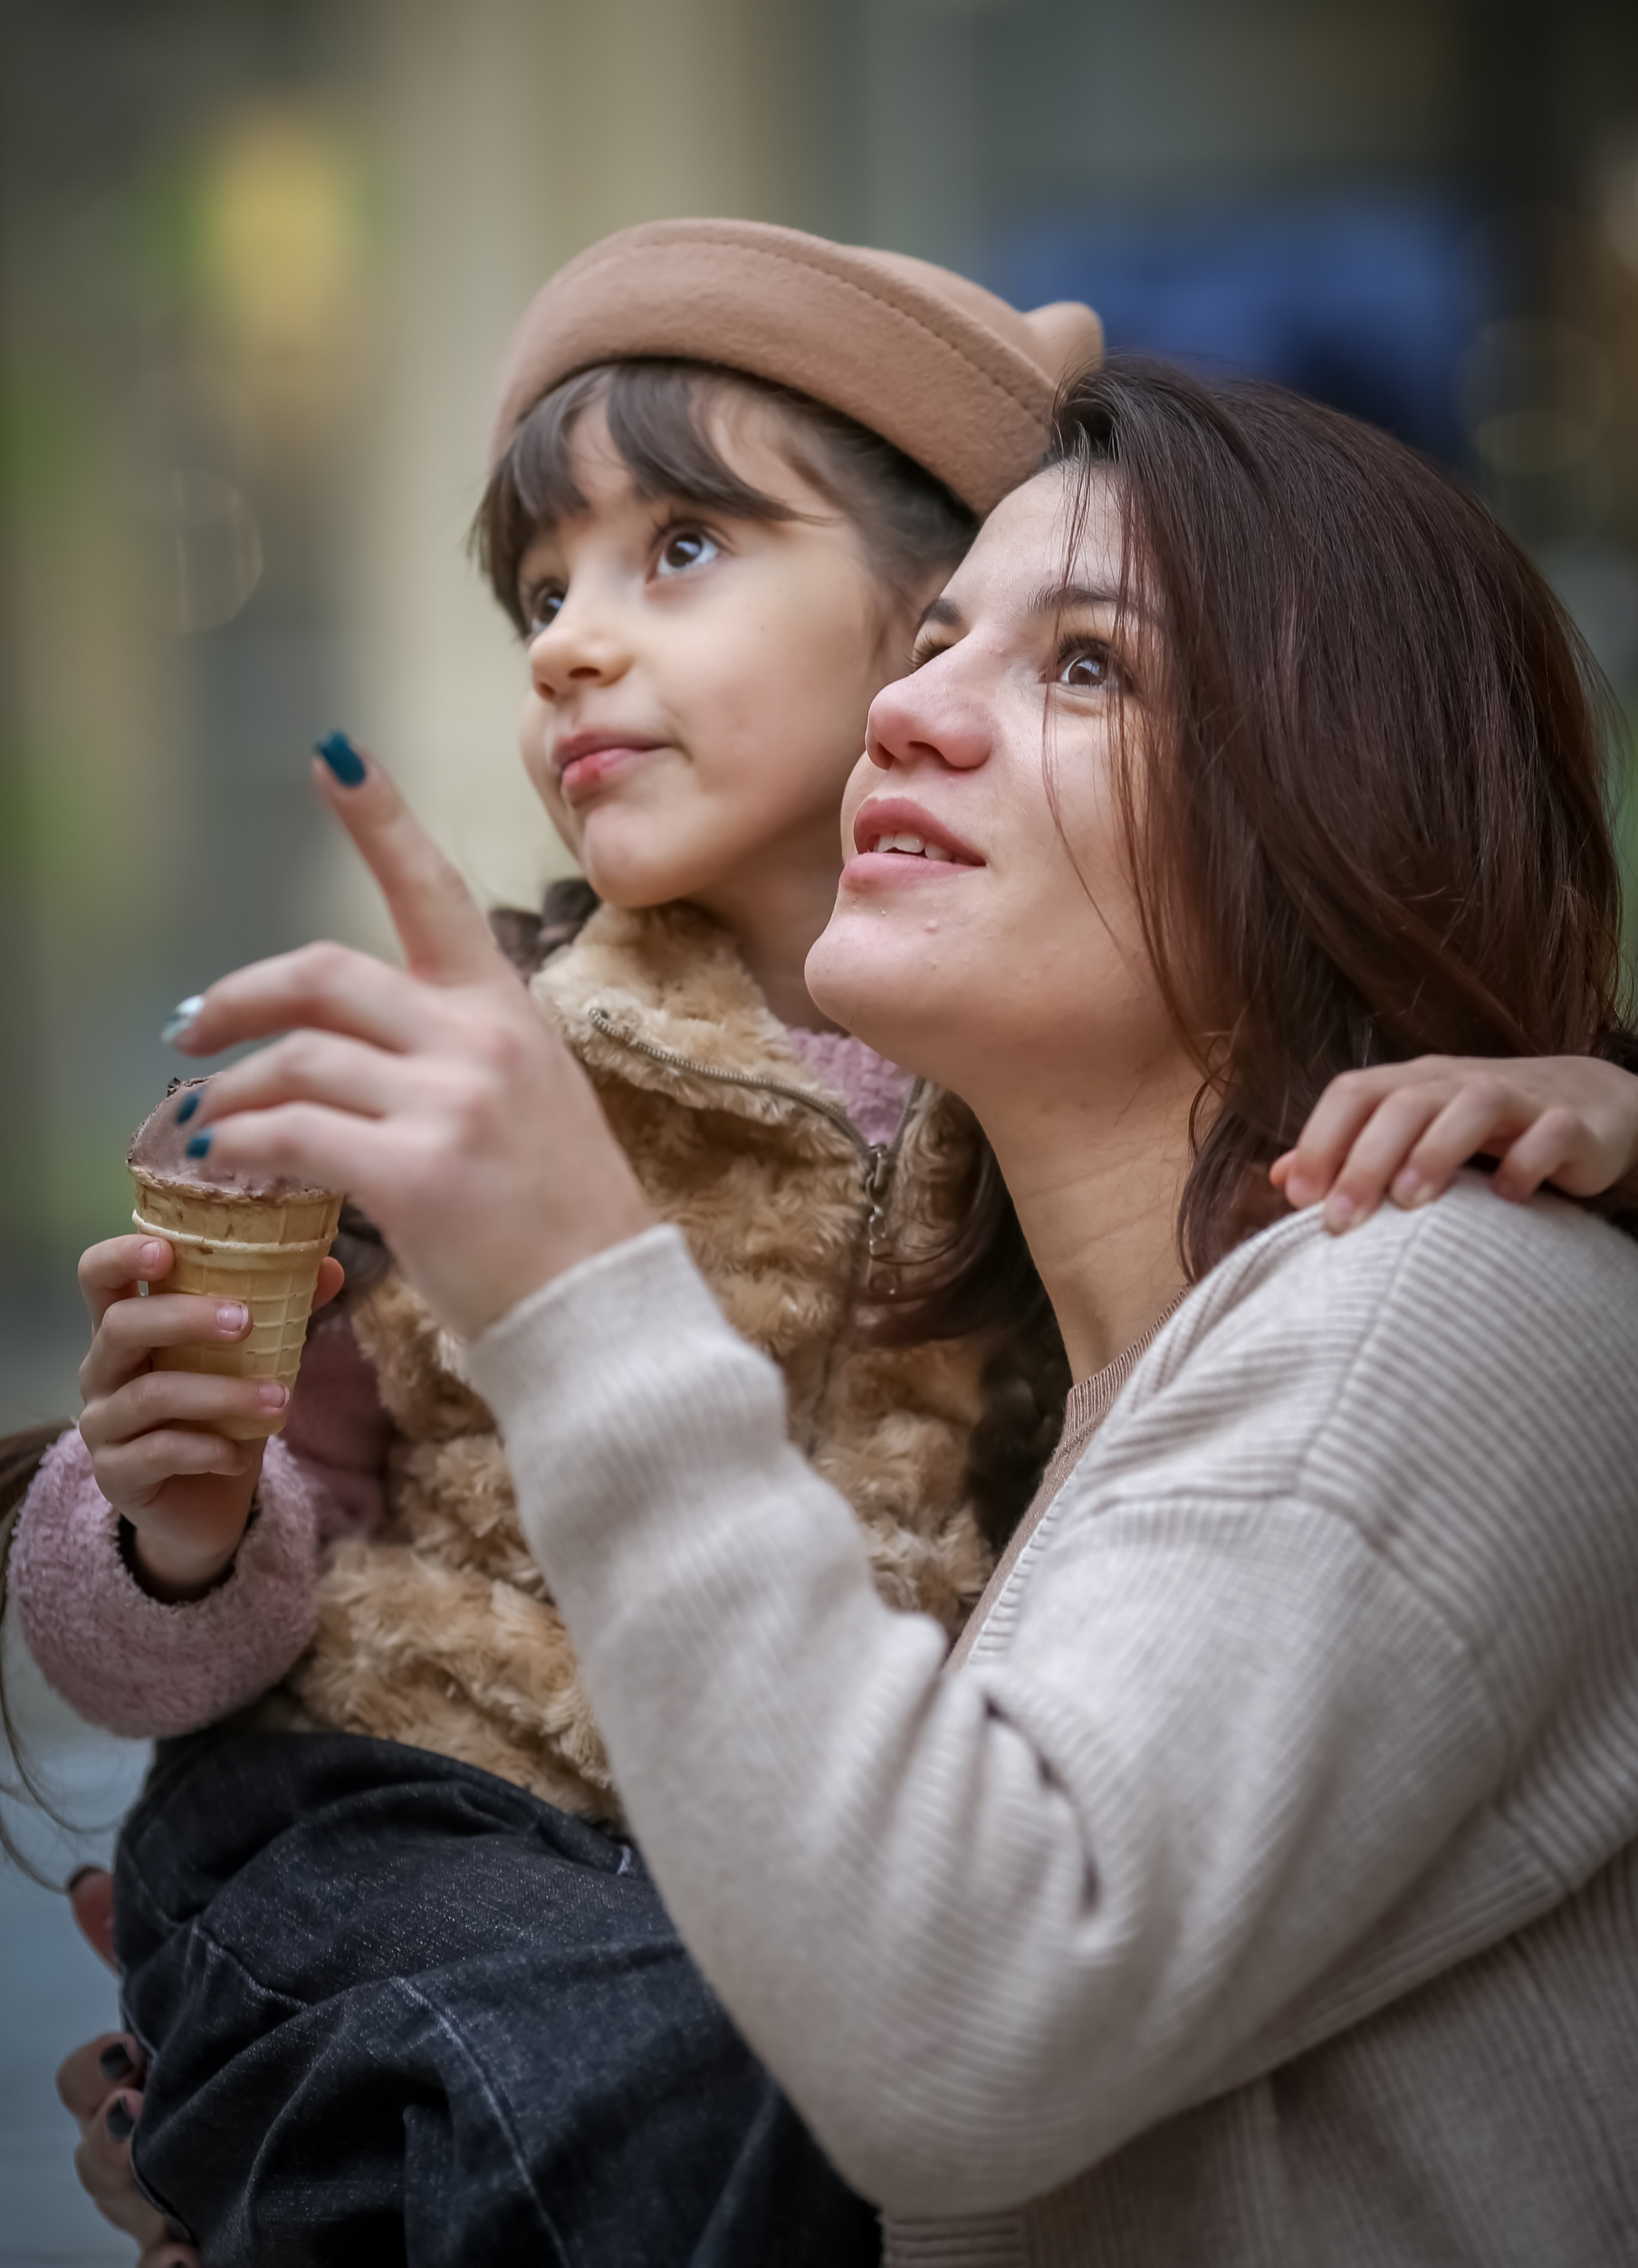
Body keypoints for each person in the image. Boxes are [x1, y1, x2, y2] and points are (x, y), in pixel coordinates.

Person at [136, 355, 1638, 2262]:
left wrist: (580, 1283)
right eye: (933, 642)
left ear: (1342, 796)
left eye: (1084, 665)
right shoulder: (1116, 1406)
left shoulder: (1436, 1296)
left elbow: (951, 2042)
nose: (909, 715)